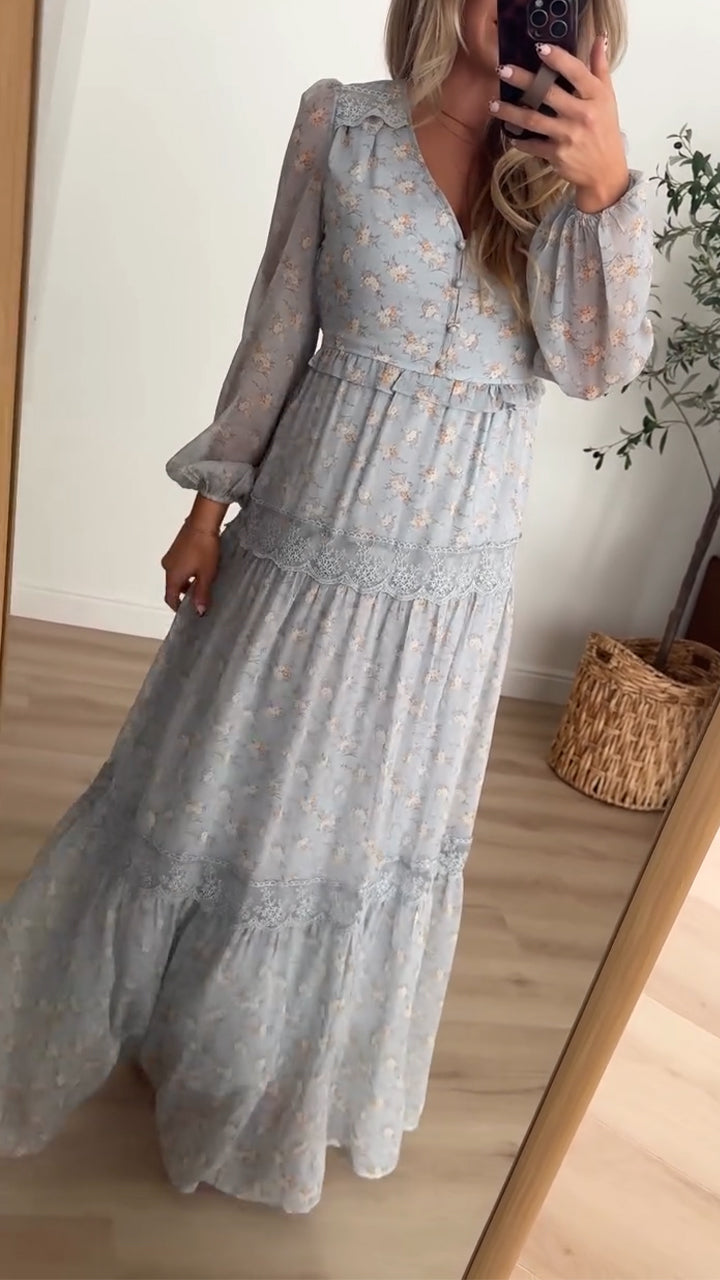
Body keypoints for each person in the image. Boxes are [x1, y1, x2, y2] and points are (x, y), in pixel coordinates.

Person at [0, 0, 652, 1214]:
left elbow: (595, 367)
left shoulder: (570, 174)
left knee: (365, 831)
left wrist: (605, 187)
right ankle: (179, 1022)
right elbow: (274, 337)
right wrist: (208, 508)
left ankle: (272, 1074)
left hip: (448, 591)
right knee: (228, 789)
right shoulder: (339, 126)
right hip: (305, 541)